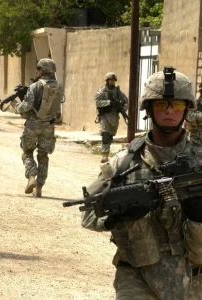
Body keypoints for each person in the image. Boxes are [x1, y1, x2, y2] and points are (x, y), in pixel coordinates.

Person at [81, 67, 202, 299]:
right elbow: (88, 213)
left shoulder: (199, 160)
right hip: (137, 277)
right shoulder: (124, 163)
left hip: (195, 279)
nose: (169, 112)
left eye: (177, 105)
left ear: (187, 110)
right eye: (161, 105)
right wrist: (114, 216)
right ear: (149, 109)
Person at [12, 58, 62, 197]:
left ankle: (31, 177)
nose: (36, 70)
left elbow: (27, 105)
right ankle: (39, 187)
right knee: (43, 155)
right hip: (49, 125)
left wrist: (16, 107)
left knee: (27, 152)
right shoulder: (58, 86)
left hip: (33, 124)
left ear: (43, 70)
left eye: (38, 68)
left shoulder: (35, 86)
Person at [95, 72, 128, 163]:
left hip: (114, 116)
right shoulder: (102, 91)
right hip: (105, 116)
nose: (112, 82)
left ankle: (107, 149)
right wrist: (109, 102)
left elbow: (126, 101)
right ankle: (105, 155)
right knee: (105, 134)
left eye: (114, 80)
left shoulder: (118, 92)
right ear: (107, 81)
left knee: (110, 136)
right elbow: (97, 102)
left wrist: (122, 109)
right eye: (111, 80)